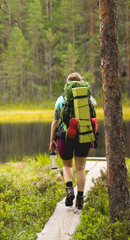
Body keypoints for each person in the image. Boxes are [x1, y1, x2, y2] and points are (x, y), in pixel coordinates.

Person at [49, 72, 97, 210]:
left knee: (67, 166)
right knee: (81, 168)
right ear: (81, 83)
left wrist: (52, 140)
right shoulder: (87, 98)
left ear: (67, 85)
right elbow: (95, 103)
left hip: (65, 136)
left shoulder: (60, 100)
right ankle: (80, 199)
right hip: (84, 135)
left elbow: (55, 121)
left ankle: (70, 190)